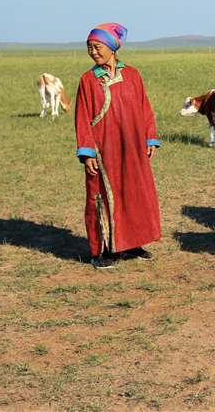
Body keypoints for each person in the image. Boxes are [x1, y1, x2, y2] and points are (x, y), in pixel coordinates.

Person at [75, 23, 162, 269]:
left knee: (133, 192)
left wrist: (150, 138)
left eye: (97, 47)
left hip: (133, 147)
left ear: (112, 48)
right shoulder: (88, 80)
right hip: (103, 150)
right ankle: (102, 251)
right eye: (89, 47)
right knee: (100, 197)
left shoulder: (133, 74)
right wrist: (88, 151)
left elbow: (145, 108)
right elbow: (82, 118)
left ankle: (132, 243)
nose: (93, 52)